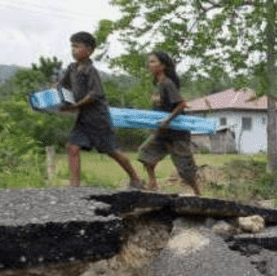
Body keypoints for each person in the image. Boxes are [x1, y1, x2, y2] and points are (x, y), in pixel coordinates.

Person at [57, 32, 143, 188]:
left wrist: (75, 106)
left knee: (111, 150)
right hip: (83, 118)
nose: (73, 50)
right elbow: (62, 86)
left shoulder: (90, 70)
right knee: (73, 147)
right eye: (72, 46)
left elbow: (94, 94)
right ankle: (74, 187)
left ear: (90, 50)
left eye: (77, 46)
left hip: (98, 117)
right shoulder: (72, 68)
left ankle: (135, 178)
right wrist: (56, 100)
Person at [137, 51, 201, 195]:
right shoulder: (157, 84)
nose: (149, 65)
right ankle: (153, 183)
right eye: (149, 62)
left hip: (177, 134)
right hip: (161, 133)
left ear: (163, 66)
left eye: (153, 62)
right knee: (144, 153)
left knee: (185, 171)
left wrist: (167, 119)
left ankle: (198, 193)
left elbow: (181, 105)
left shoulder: (167, 83)